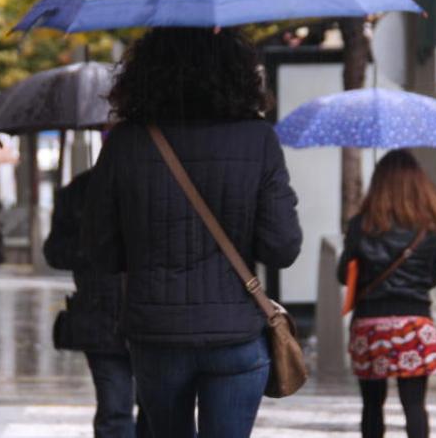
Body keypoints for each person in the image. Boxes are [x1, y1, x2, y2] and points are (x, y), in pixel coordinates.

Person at [83, 27, 302, 438]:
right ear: (237, 73)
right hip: (235, 331)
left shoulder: (125, 143)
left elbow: (101, 252)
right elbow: (282, 247)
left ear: (146, 73)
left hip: (156, 333)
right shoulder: (258, 140)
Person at [336, 150, 436, 438]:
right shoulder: (429, 229)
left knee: (372, 405)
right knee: (414, 406)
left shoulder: (361, 225)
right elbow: (434, 276)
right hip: (415, 324)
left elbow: (342, 274)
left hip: (370, 325)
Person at [44, 169, 149, 438]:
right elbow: (55, 252)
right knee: (114, 409)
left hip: (153, 316)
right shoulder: (79, 191)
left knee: (158, 413)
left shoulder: (158, 181)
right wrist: (91, 245)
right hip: (100, 316)